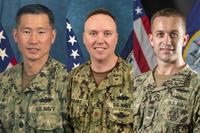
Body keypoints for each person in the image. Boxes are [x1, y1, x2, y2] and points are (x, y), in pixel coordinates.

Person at [0, 4, 69, 132]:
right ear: (15, 35)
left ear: (52, 36)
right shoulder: (3, 81)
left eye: (41, 32)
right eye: (26, 31)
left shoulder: (68, 81)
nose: (33, 40)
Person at [132, 8, 200, 132]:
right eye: (160, 34)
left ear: (184, 40)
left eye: (174, 34)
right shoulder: (136, 84)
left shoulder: (197, 87)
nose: (167, 41)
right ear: (152, 40)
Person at [67, 9, 134, 132]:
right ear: (83, 38)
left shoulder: (137, 79)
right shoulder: (72, 79)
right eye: (93, 33)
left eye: (107, 34)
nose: (100, 40)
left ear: (116, 38)